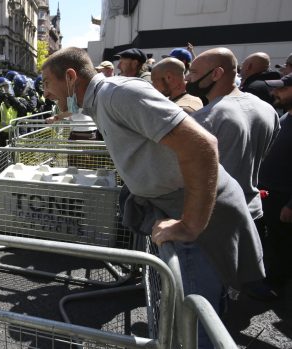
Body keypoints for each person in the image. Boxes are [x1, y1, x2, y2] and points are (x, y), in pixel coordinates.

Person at [42, 47, 264, 348]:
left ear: (70, 76)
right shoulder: (100, 99)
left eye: (46, 83)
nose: (45, 93)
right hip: (182, 206)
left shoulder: (116, 94)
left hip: (193, 213)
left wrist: (189, 224)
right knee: (195, 318)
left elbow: (202, 146)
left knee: (196, 328)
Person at [189, 48, 280, 220]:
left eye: (193, 72)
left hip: (215, 217)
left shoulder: (206, 118)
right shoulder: (267, 109)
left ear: (216, 73)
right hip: (252, 211)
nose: (188, 78)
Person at [258, 73, 292, 296]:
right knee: (272, 244)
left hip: (284, 200)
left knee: (283, 246)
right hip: (270, 195)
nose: (274, 93)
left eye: (281, 89)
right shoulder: (284, 117)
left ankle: (277, 287)